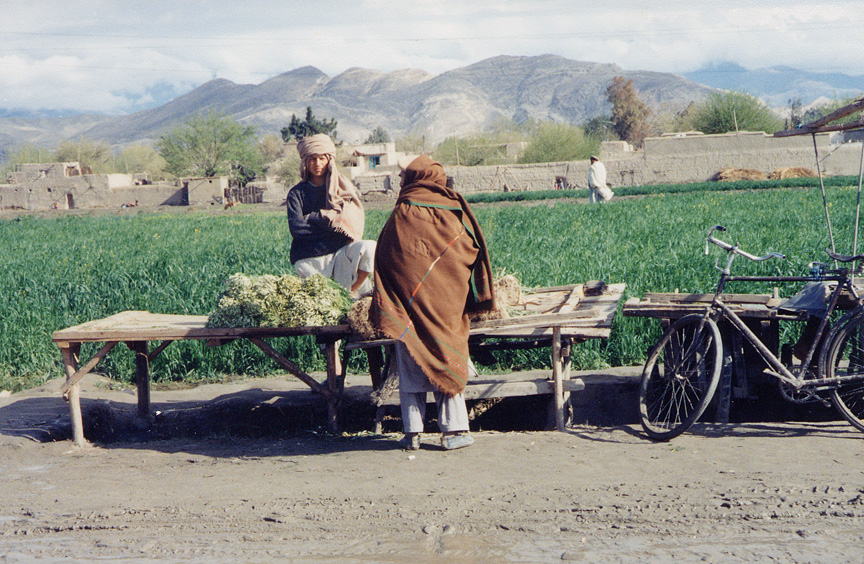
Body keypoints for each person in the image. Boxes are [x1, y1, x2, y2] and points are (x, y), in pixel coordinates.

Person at [370, 155, 495, 451]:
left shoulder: (402, 213)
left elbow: (388, 257)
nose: (400, 182)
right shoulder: (454, 210)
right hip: (447, 304)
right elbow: (469, 249)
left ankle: (412, 432)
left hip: (408, 304)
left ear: (414, 178)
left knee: (411, 363)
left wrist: (403, 290)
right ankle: (454, 431)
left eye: (404, 177)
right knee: (446, 355)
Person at [286, 134, 375, 298]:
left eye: (322, 158)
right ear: (305, 161)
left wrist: (312, 218)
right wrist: (330, 222)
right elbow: (297, 229)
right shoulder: (296, 193)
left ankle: (353, 290)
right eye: (312, 159)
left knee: (369, 248)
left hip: (339, 254)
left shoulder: (341, 189)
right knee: (322, 297)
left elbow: (346, 221)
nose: (317, 164)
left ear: (329, 160)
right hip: (308, 259)